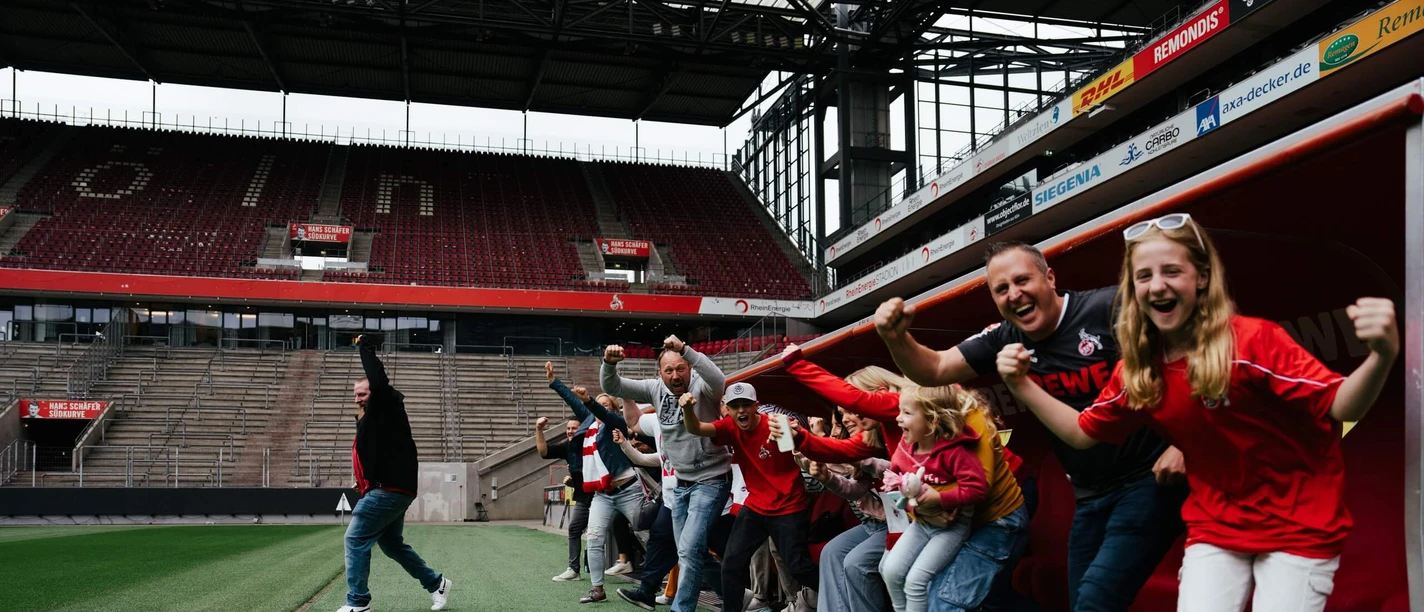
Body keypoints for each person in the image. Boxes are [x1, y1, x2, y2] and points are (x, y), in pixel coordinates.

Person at [994, 213, 1399, 612]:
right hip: (1216, 526)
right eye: (1144, 276)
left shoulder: (1253, 343)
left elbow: (1343, 404)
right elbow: (1082, 433)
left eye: (1172, 271)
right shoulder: (1140, 368)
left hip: (1299, 525)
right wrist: (1021, 385)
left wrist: (1382, 355)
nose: (1158, 286)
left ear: (1202, 277)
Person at [875, 241, 1187, 611]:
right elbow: (935, 369)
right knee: (1082, 601)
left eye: (1022, 280)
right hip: (1089, 494)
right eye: (1001, 289)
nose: (1014, 294)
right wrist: (896, 339)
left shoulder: (1108, 308)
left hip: (1146, 481)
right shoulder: (1005, 337)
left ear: (1049, 277)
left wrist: (1183, 444)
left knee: (1096, 601)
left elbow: (1199, 345)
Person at [777, 345, 1028, 612]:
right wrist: (801, 439)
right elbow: (846, 451)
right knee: (921, 582)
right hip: (952, 518)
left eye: (850, 409)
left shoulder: (939, 409)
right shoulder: (897, 427)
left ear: (882, 392)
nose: (848, 416)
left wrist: (795, 363)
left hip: (995, 516)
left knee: (945, 601)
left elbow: (976, 486)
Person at [604, 335, 730, 612]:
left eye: (681, 368)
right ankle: (734, 599)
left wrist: (686, 349)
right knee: (691, 552)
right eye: (669, 370)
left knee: (689, 550)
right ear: (660, 373)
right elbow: (614, 388)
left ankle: (680, 607)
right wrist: (609, 365)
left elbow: (719, 381)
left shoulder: (703, 388)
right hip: (680, 487)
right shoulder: (654, 390)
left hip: (710, 481)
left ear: (690, 369)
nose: (675, 375)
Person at [678, 382, 819, 612]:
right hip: (756, 505)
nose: (741, 411)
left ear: (757, 406)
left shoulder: (776, 424)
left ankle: (840, 592)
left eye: (746, 405)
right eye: (735, 406)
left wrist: (789, 438)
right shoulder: (730, 427)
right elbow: (696, 428)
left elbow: (798, 456)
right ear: (728, 408)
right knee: (731, 566)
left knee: (798, 567)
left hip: (789, 506)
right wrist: (686, 409)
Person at [340, 333, 452, 612]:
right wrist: (363, 481)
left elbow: (379, 382)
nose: (359, 398)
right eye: (356, 394)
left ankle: (357, 603)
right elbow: (373, 454)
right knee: (391, 545)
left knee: (355, 538)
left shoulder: (387, 404)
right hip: (387, 487)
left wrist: (364, 346)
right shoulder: (371, 421)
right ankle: (436, 583)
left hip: (389, 489)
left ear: (375, 394)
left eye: (363, 393)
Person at [546, 361, 642, 604]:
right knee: (595, 537)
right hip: (602, 494)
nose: (601, 408)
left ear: (613, 408)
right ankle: (597, 588)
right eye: (598, 405)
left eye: (606, 404)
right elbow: (574, 401)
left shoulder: (616, 423)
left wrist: (591, 401)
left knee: (648, 534)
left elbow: (601, 413)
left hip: (628, 489)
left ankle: (660, 583)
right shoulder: (588, 423)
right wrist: (554, 382)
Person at [613, 401, 682, 611]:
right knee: (660, 542)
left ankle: (739, 596)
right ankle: (647, 592)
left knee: (698, 553)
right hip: (671, 503)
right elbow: (641, 457)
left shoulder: (692, 429)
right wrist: (624, 443)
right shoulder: (661, 437)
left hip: (694, 500)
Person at [535, 414, 594, 582]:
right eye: (568, 428)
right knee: (575, 529)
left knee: (607, 531)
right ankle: (574, 569)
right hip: (584, 495)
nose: (570, 431)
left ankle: (626, 561)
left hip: (604, 493)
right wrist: (539, 429)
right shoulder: (568, 446)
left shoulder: (593, 443)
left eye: (574, 428)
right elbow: (544, 451)